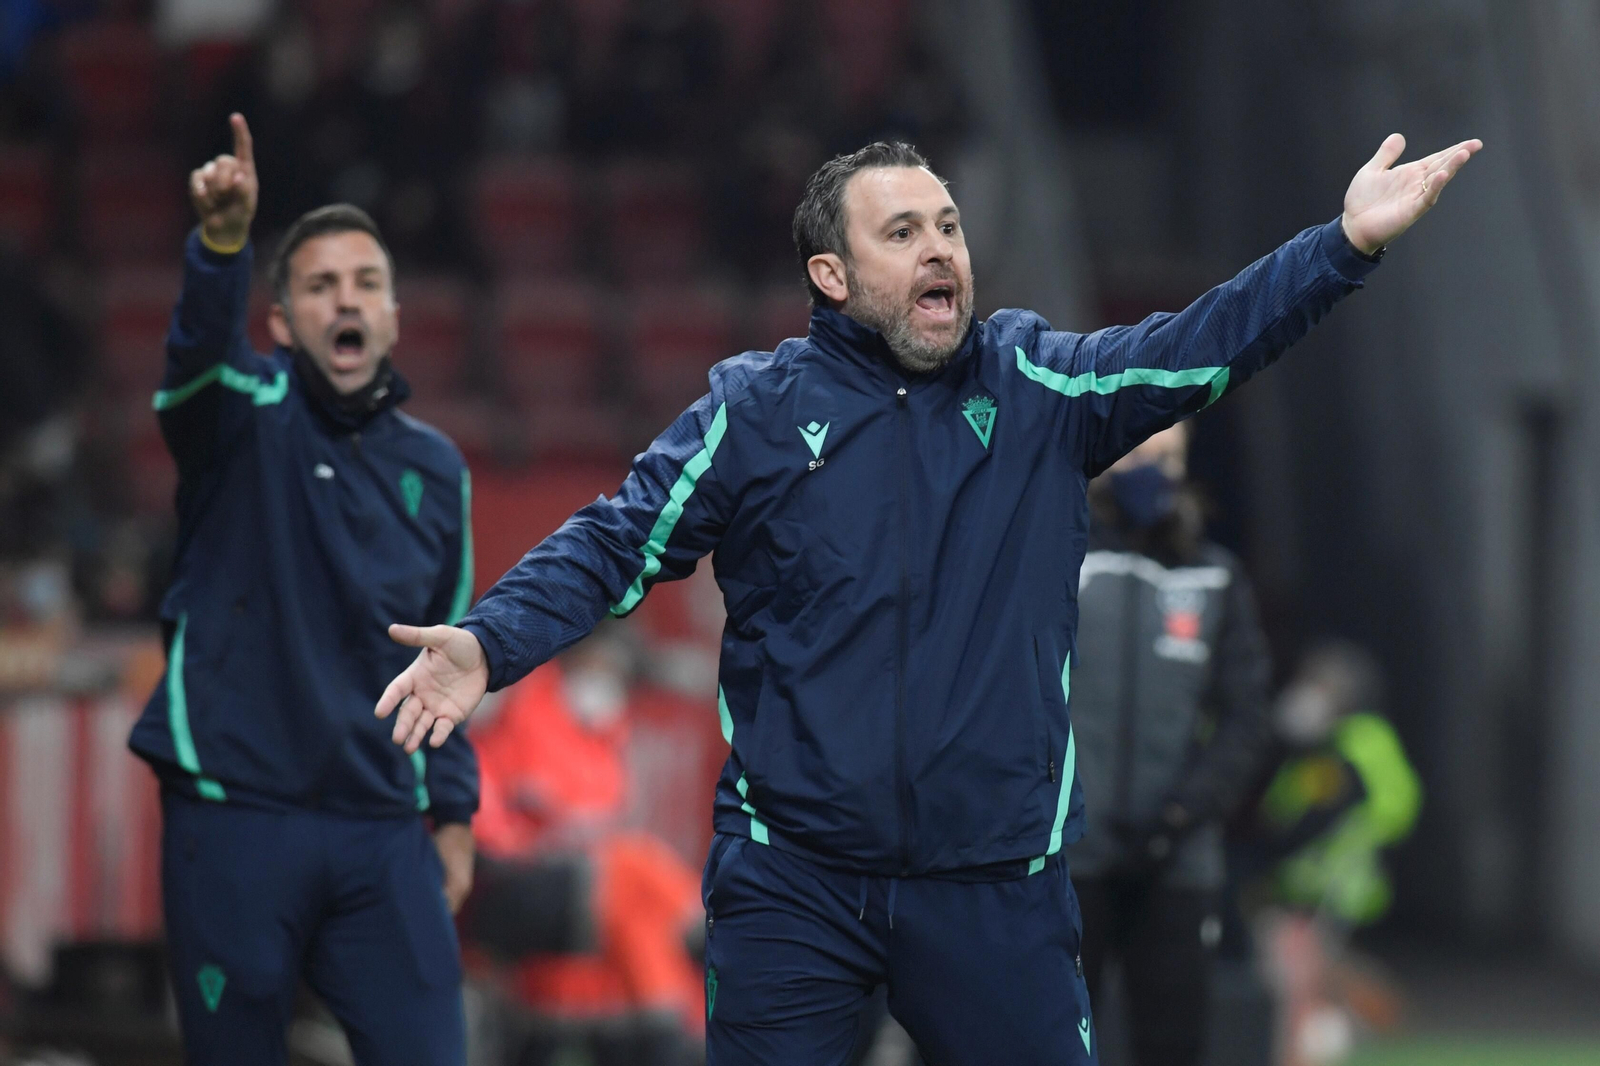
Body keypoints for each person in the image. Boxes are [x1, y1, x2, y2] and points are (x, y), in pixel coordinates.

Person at [377, 132, 1479, 1064]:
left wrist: (1341, 248)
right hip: (794, 882)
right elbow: (618, 540)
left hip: (995, 886)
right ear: (832, 276)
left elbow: (1201, 347)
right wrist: (488, 641)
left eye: (945, 225)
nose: (937, 247)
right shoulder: (754, 414)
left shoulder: (1039, 386)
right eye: (900, 233)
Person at [126, 114, 479, 1066]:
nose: (346, 301)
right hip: (238, 813)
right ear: (281, 323)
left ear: (396, 315)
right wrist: (222, 246)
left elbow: (451, 657)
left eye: (366, 283)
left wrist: (452, 811)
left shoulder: (438, 470)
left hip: (382, 826)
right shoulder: (235, 416)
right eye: (320, 287)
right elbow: (196, 355)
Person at [1066, 420, 1271, 1066]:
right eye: (1141, 451)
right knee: (1051, 1042)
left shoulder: (1215, 579)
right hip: (1071, 859)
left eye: (1170, 454)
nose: (1155, 467)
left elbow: (1246, 717)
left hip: (1179, 861)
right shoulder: (1057, 558)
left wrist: (1186, 810)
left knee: (1175, 1046)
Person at [466, 626, 706, 1066]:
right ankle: (698, 931)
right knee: (631, 867)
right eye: (598, 666)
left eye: (615, 671)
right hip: (499, 887)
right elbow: (503, 824)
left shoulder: (600, 735)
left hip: (570, 887)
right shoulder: (525, 706)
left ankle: (668, 1029)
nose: (604, 681)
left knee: (635, 910)